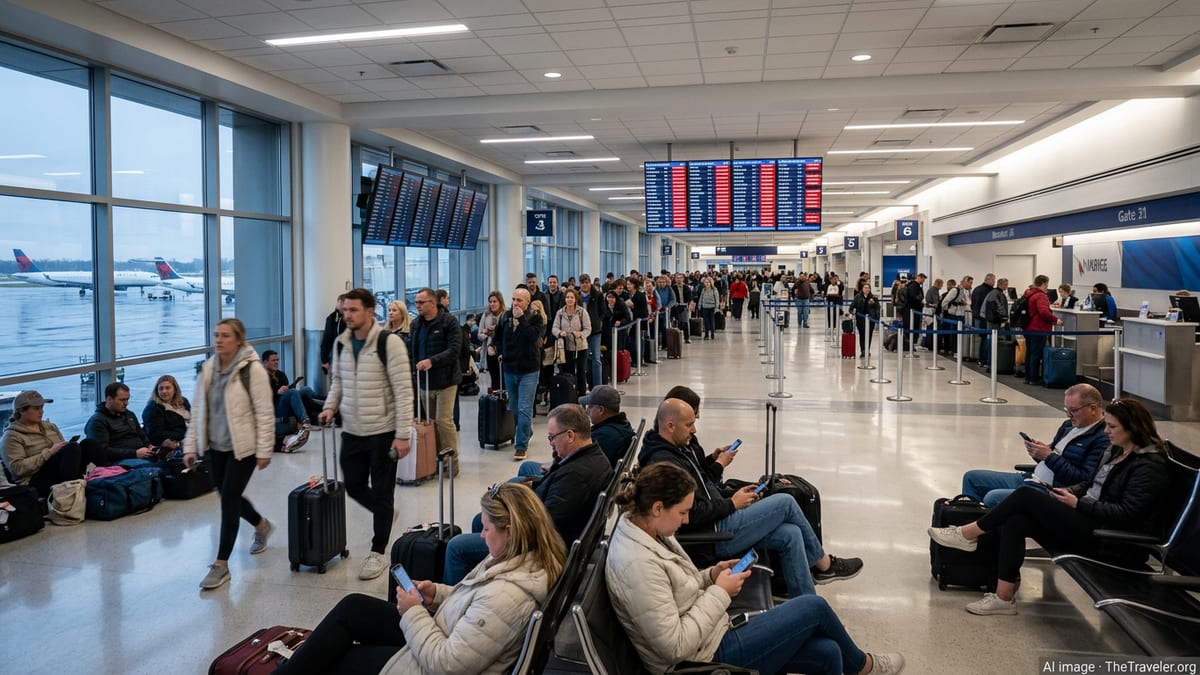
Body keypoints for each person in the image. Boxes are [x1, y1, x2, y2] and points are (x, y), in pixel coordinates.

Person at [607, 462, 905, 675]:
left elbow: (675, 587)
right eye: (683, 512)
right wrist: (720, 592)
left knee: (829, 652)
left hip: (713, 634)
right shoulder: (637, 563)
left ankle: (858, 665)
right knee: (813, 607)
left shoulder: (649, 531)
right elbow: (675, 647)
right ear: (658, 507)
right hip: (703, 659)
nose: (686, 521)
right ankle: (865, 666)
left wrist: (710, 575)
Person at [275, 482, 567, 675]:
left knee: (336, 660)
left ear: (511, 531)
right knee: (353, 608)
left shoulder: (508, 596)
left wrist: (414, 612)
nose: (481, 534)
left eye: (487, 528)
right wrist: (437, 594)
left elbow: (447, 664)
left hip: (434, 661)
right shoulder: (517, 557)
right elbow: (477, 602)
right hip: (446, 631)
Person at [930, 398, 1170, 616]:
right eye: (1107, 425)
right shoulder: (1116, 450)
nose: (1106, 431)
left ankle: (968, 534)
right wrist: (1072, 493)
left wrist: (1079, 503)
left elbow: (1128, 514)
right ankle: (1004, 597)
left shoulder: (1148, 466)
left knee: (1025, 496)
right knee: (1016, 520)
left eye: (1113, 427)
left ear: (1134, 428)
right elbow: (1089, 483)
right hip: (1088, 518)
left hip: (1109, 537)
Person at [639, 399, 861, 599]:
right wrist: (731, 504)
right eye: (689, 425)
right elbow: (690, 513)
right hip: (713, 535)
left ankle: (806, 603)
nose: (694, 429)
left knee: (790, 534)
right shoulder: (663, 462)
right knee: (786, 502)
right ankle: (824, 565)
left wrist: (734, 495)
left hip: (720, 518)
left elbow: (705, 489)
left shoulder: (677, 450)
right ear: (670, 426)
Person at [444, 404, 611, 584]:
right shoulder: (592, 456)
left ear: (570, 435)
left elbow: (544, 528)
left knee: (457, 547)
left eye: (552, 437)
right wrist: (535, 484)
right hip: (554, 526)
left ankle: (454, 601)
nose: (550, 443)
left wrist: (514, 508)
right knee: (483, 520)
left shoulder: (576, 477)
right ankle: (487, 576)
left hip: (544, 547)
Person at [319, 288, 414, 581]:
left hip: (383, 431)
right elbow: (337, 382)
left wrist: (403, 435)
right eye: (345, 310)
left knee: (383, 491)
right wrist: (329, 407)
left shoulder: (390, 343)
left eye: (353, 310)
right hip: (353, 430)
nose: (347, 315)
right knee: (354, 485)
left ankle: (378, 551)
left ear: (370, 311)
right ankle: (384, 511)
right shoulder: (341, 343)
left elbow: (403, 390)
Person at [182, 318, 275, 590]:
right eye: (216, 335)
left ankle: (221, 564)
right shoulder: (208, 369)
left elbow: (265, 412)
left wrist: (264, 449)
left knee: (229, 500)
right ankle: (261, 524)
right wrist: (190, 447)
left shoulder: (252, 371)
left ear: (238, 339)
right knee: (228, 495)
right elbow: (198, 411)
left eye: (225, 335)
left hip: (242, 447)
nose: (219, 340)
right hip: (215, 447)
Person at [961, 384, 1109, 508]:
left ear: (1093, 408)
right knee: (972, 477)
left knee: (993, 498)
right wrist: (1039, 453)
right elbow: (1053, 454)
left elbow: (1083, 480)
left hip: (1051, 490)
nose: (1068, 415)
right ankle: (971, 524)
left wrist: (1048, 456)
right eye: (1066, 410)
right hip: (1032, 478)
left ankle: (987, 534)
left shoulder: (1102, 438)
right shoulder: (1068, 426)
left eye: (1074, 410)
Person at [408, 287, 462, 476]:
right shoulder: (416, 325)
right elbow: (412, 352)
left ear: (433, 303)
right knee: (431, 423)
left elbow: (455, 350)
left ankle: (452, 463)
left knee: (443, 421)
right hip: (425, 382)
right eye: (416, 303)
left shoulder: (449, 321)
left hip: (446, 381)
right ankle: (437, 461)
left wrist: (432, 361)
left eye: (421, 303)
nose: (418, 306)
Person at [3, 391, 91, 497]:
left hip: (58, 471)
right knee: (72, 448)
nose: (41, 412)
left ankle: (105, 480)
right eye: (36, 409)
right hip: (35, 480)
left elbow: (65, 452)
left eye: (41, 407)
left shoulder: (49, 426)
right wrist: (49, 452)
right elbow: (17, 469)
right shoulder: (11, 436)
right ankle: (70, 493)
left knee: (88, 444)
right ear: (22, 411)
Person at [495, 288, 544, 462]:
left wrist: (521, 318)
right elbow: (498, 337)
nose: (515, 303)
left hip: (529, 370)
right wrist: (499, 350)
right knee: (514, 408)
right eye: (514, 299)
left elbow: (532, 337)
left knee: (524, 408)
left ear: (527, 302)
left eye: (520, 300)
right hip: (510, 368)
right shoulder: (505, 317)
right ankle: (526, 430)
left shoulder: (536, 318)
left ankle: (521, 445)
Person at [84, 382, 154, 464]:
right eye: (122, 400)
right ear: (109, 399)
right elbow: (103, 451)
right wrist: (135, 453)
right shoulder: (98, 421)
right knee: (153, 470)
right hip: (120, 461)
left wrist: (149, 446)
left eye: (127, 399)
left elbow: (141, 435)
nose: (126, 403)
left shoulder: (129, 415)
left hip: (141, 454)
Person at [580, 385, 636, 467]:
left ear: (600, 410)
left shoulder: (604, 437)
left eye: (590, 407)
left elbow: (584, 464)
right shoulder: (623, 425)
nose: (587, 411)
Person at [262, 350, 321, 429]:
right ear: (265, 362)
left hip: (284, 401)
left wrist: (288, 388)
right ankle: (305, 420)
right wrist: (277, 392)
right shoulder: (261, 377)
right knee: (293, 392)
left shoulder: (280, 374)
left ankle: (323, 401)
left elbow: (288, 390)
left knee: (305, 389)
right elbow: (262, 397)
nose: (276, 362)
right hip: (275, 407)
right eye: (273, 360)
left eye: (277, 360)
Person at [1021, 274, 1061, 385]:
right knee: (1036, 353)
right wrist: (1055, 319)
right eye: (1047, 283)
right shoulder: (1040, 296)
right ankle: (1034, 378)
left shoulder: (1028, 293)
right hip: (1038, 328)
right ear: (1043, 284)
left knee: (1029, 352)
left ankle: (1028, 377)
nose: (1047, 286)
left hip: (1028, 327)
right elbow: (1043, 312)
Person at [551, 288, 591, 389]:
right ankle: (570, 394)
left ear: (576, 299)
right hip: (566, 347)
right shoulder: (560, 313)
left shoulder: (582, 312)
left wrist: (581, 334)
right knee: (568, 371)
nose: (569, 299)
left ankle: (581, 395)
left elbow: (588, 329)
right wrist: (560, 333)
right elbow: (554, 328)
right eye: (568, 297)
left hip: (581, 346)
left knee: (581, 371)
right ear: (565, 299)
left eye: (572, 297)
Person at [141, 374, 191, 453]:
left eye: (167, 388)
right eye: (161, 389)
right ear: (157, 391)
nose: (164, 391)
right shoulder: (153, 408)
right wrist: (185, 433)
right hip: (172, 444)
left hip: (190, 438)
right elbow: (156, 435)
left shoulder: (183, 401)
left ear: (175, 390)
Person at [578, 275, 609, 391]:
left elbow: (603, 311)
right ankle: (584, 385)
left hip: (595, 331)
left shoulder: (598, 295)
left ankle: (598, 387)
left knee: (596, 358)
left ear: (589, 283)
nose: (584, 285)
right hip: (582, 332)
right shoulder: (577, 296)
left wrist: (597, 320)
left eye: (586, 282)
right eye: (582, 283)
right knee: (583, 359)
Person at [980, 278, 1010, 368]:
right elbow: (1000, 307)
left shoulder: (992, 293)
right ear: (1002, 284)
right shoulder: (998, 294)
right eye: (1006, 284)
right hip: (994, 321)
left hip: (990, 319)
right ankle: (990, 362)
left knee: (990, 340)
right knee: (993, 341)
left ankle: (989, 361)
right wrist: (1004, 317)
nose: (1007, 286)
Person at [479, 291, 506, 391]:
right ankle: (495, 402)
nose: (492, 304)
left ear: (500, 302)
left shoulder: (505, 314)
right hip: (489, 352)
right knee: (494, 378)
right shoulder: (485, 315)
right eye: (490, 302)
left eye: (495, 301)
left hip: (502, 350)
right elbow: (479, 335)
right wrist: (486, 333)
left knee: (503, 378)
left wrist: (496, 331)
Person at [319, 294, 347, 381]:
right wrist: (324, 359)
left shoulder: (348, 319)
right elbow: (326, 339)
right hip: (336, 356)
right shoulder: (332, 318)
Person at [972, 273, 996, 367]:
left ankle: (981, 359)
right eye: (993, 280)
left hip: (976, 317)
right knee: (986, 338)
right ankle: (984, 359)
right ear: (988, 280)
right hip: (984, 318)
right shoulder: (989, 291)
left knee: (982, 338)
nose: (994, 282)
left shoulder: (977, 289)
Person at [850, 284, 880, 357]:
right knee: (862, 334)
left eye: (868, 288)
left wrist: (876, 317)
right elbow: (851, 307)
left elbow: (878, 308)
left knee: (869, 334)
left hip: (871, 319)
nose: (867, 289)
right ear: (862, 289)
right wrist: (852, 313)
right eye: (865, 288)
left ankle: (867, 350)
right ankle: (863, 350)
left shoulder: (873, 297)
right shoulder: (858, 297)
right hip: (861, 319)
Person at [900, 273, 926, 349]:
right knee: (912, 328)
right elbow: (913, 298)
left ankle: (910, 345)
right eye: (923, 279)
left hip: (911, 311)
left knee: (911, 328)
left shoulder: (913, 285)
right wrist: (920, 301)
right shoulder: (914, 286)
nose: (923, 281)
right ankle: (910, 346)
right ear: (919, 278)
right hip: (912, 311)